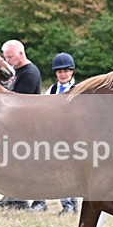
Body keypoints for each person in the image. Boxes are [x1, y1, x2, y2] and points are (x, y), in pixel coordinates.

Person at [0, 40, 42, 210]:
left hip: (27, 124)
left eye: (10, 56)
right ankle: (9, 197)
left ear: (21, 54)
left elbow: (19, 100)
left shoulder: (30, 73)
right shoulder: (15, 71)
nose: (6, 60)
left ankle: (20, 200)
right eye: (5, 57)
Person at [36, 53, 78, 214]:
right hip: (51, 135)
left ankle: (69, 204)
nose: (63, 74)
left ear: (72, 71)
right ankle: (40, 202)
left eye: (66, 71)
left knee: (66, 171)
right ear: (56, 73)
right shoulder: (52, 89)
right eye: (60, 72)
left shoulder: (77, 90)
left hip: (70, 136)